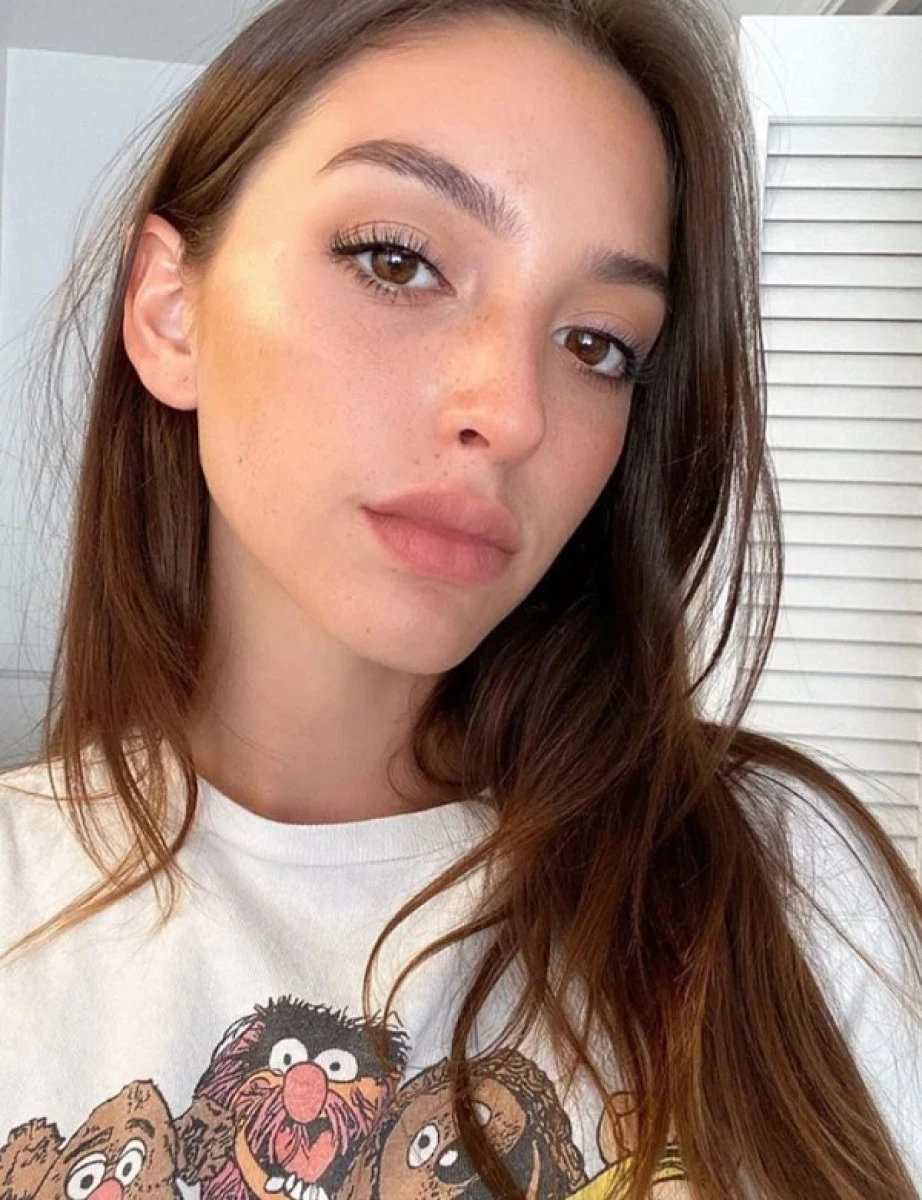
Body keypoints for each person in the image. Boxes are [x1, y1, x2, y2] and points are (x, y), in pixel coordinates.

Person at [0, 0, 919, 1196]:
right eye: (397, 260)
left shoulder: (779, 879)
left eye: (596, 343)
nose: (515, 412)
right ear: (170, 312)